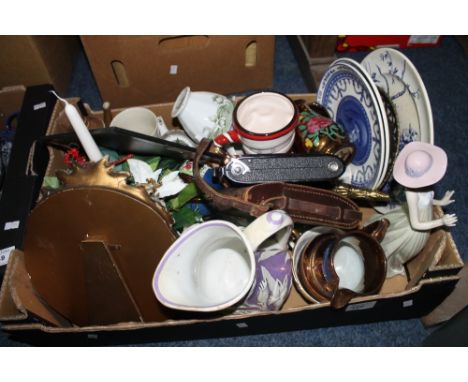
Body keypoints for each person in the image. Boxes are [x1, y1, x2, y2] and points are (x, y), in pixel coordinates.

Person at [367, 141, 457, 277]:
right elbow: (416, 224)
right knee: (398, 252)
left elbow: (426, 201)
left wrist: (440, 202)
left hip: (424, 219)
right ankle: (393, 268)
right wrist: (441, 222)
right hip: (414, 231)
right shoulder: (411, 194)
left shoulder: (424, 186)